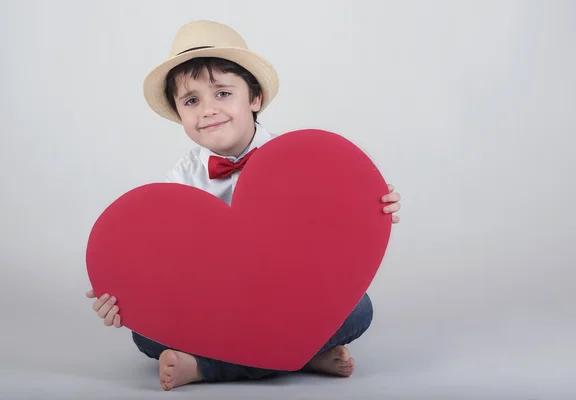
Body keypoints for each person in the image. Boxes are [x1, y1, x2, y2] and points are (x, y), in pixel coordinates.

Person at [85, 20, 401, 391]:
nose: (207, 109)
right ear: (179, 114)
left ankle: (206, 368)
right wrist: (119, 286)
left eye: (222, 93)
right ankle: (305, 357)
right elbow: (151, 250)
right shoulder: (180, 180)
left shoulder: (302, 161)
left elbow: (334, 227)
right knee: (145, 333)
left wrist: (372, 206)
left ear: (254, 98)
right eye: (191, 100)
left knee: (359, 309)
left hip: (291, 298)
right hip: (221, 307)